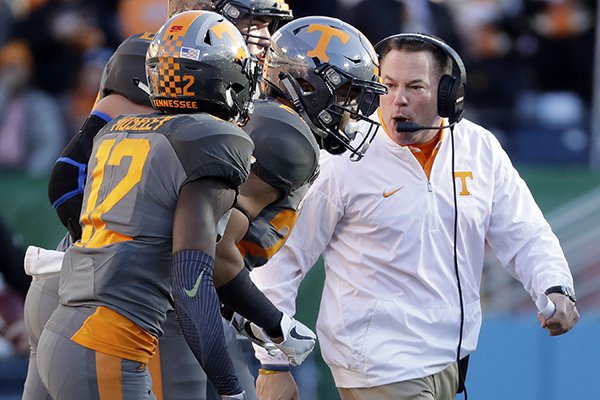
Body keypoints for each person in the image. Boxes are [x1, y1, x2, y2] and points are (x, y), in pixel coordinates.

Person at [249, 33, 580, 400]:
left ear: (447, 94)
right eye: (387, 85)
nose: (398, 99)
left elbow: (525, 231)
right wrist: (272, 363)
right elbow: (281, 256)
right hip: (376, 365)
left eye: (415, 86)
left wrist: (555, 285)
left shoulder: (479, 148)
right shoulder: (342, 155)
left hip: (451, 362)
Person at [34, 10, 256, 400]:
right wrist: (231, 388)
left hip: (60, 322)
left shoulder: (118, 129)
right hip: (107, 343)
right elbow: (191, 283)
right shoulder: (210, 141)